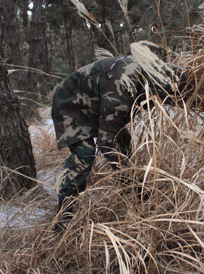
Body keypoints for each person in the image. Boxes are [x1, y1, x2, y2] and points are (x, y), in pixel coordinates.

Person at [51, 55, 185, 230]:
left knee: (124, 142)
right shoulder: (124, 87)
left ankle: (132, 197)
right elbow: (106, 143)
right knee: (84, 155)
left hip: (95, 99)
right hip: (69, 102)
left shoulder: (153, 72)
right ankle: (63, 219)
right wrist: (133, 181)